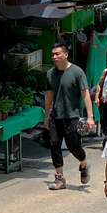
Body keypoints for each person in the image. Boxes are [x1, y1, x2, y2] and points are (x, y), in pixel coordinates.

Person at [44, 42, 95, 191]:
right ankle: (59, 178)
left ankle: (84, 163)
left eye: (57, 54)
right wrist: (46, 117)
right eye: (53, 54)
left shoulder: (77, 72)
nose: (55, 57)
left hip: (73, 116)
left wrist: (90, 116)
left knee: (74, 146)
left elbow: (85, 94)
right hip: (55, 116)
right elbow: (48, 95)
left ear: (66, 54)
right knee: (54, 144)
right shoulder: (50, 74)